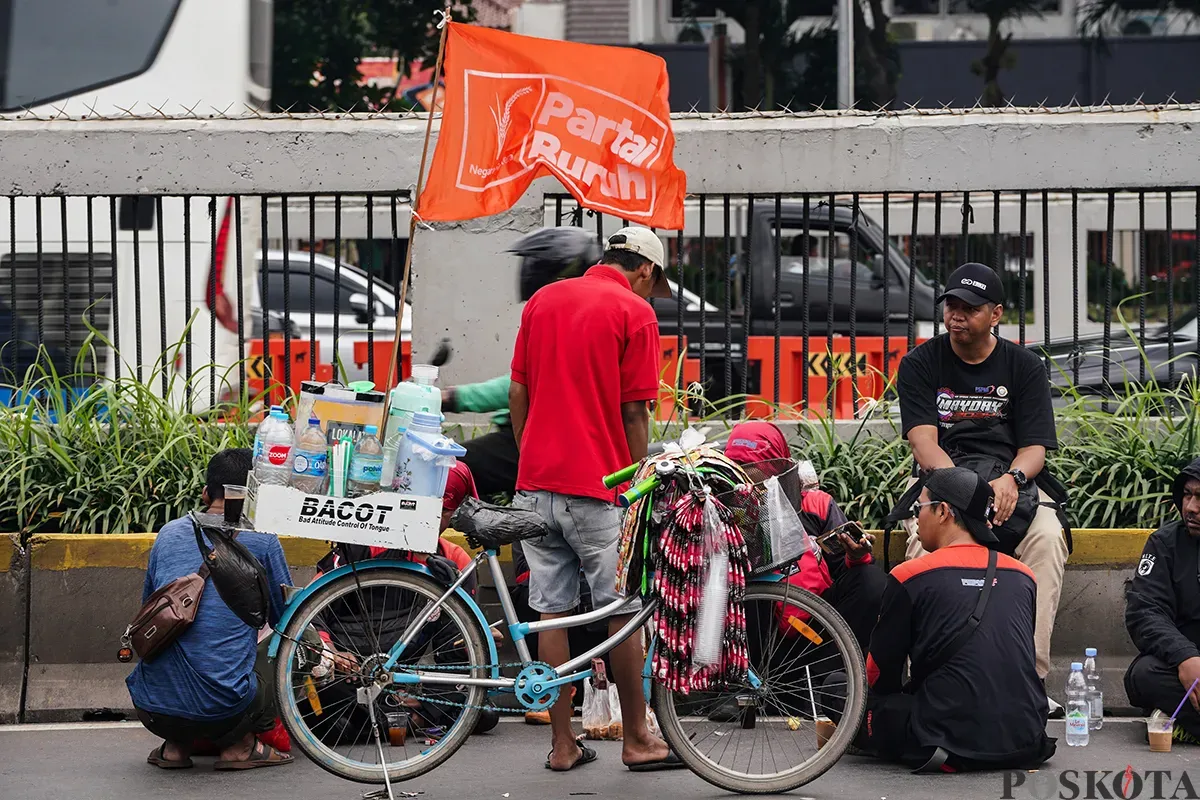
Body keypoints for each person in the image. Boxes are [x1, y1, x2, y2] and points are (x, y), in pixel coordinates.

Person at [509, 225, 680, 772]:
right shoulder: (635, 312)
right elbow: (636, 411)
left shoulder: (543, 301)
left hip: (537, 485)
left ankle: (562, 747)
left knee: (550, 613)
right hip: (599, 487)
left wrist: (529, 457)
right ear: (646, 269)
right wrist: (637, 483)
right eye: (655, 284)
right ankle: (637, 738)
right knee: (622, 612)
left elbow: (519, 391)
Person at [895, 261, 1069, 715]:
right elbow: (922, 441)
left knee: (1048, 539)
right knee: (921, 547)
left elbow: (1035, 449)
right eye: (951, 304)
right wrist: (962, 491)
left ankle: (1027, 681)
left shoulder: (1024, 366)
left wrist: (1010, 481)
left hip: (1012, 479)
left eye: (969, 307)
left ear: (995, 314)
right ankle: (932, 678)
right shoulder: (920, 363)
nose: (956, 314)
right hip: (944, 478)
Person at [824, 468, 1055, 772]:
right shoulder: (1023, 575)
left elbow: (880, 674)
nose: (916, 517)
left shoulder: (911, 576)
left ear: (943, 511)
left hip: (947, 746)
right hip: (1025, 741)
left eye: (919, 508)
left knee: (836, 686)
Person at [126, 448, 294, 771]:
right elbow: (286, 620)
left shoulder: (167, 535)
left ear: (205, 493)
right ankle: (240, 746)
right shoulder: (263, 540)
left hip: (151, 709)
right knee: (285, 647)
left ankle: (175, 747)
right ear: (253, 496)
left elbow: (150, 608)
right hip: (225, 711)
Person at [444, 226, 601, 498]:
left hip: (540, 441)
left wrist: (452, 397)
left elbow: (517, 385)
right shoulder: (568, 313)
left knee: (446, 472)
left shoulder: (570, 319)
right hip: (547, 440)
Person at [722, 421, 886, 651]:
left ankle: (841, 672)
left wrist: (856, 555)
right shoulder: (723, 513)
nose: (749, 479)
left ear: (780, 469)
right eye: (738, 468)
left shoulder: (816, 505)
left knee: (871, 581)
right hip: (764, 641)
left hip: (821, 623)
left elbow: (845, 571)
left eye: (754, 469)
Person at [1124, 457, 1200, 744]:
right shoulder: (1165, 543)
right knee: (1143, 676)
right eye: (1187, 495)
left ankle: (1188, 723)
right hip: (1185, 666)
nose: (1191, 508)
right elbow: (1144, 611)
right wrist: (1185, 656)